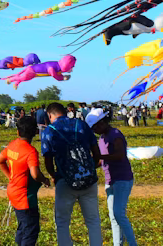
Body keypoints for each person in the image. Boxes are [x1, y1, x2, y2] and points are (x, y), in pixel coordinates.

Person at [40, 103, 102, 246]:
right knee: (93, 221)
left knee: (62, 222)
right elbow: (97, 154)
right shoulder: (81, 125)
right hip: (89, 180)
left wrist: (53, 175)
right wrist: (89, 168)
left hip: (65, 181)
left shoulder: (49, 131)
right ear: (65, 111)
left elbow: (48, 160)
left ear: (50, 115)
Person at [0, 116, 51, 246]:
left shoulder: (12, 145)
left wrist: (10, 176)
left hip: (13, 192)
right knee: (31, 230)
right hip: (25, 197)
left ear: (18, 132)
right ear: (36, 132)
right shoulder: (30, 151)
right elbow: (35, 174)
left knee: (23, 226)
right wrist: (45, 180)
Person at [87, 108, 137, 246]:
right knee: (113, 216)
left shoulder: (115, 134)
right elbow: (101, 160)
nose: (95, 131)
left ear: (102, 123)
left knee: (119, 214)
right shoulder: (102, 138)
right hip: (110, 179)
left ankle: (133, 243)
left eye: (95, 127)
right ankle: (117, 243)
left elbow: (120, 155)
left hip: (122, 179)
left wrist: (100, 157)